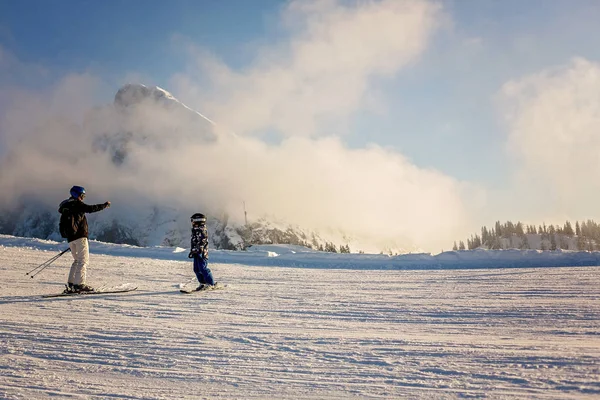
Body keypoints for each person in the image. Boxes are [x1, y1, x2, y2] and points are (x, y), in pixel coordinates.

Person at [58, 185, 110, 293]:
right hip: (80, 237)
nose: (83, 197)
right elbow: (90, 209)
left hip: (70, 238)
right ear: (78, 195)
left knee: (76, 260)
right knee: (83, 261)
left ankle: (71, 284)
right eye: (82, 195)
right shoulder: (77, 204)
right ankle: (79, 285)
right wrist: (104, 205)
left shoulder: (66, 206)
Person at [188, 213, 215, 290]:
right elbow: (194, 242)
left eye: (193, 220)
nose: (192, 222)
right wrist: (192, 250)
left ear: (197, 221)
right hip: (196, 252)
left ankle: (210, 283)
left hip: (202, 253)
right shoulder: (195, 230)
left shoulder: (202, 230)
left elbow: (203, 241)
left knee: (202, 268)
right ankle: (202, 283)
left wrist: (199, 249)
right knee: (196, 269)